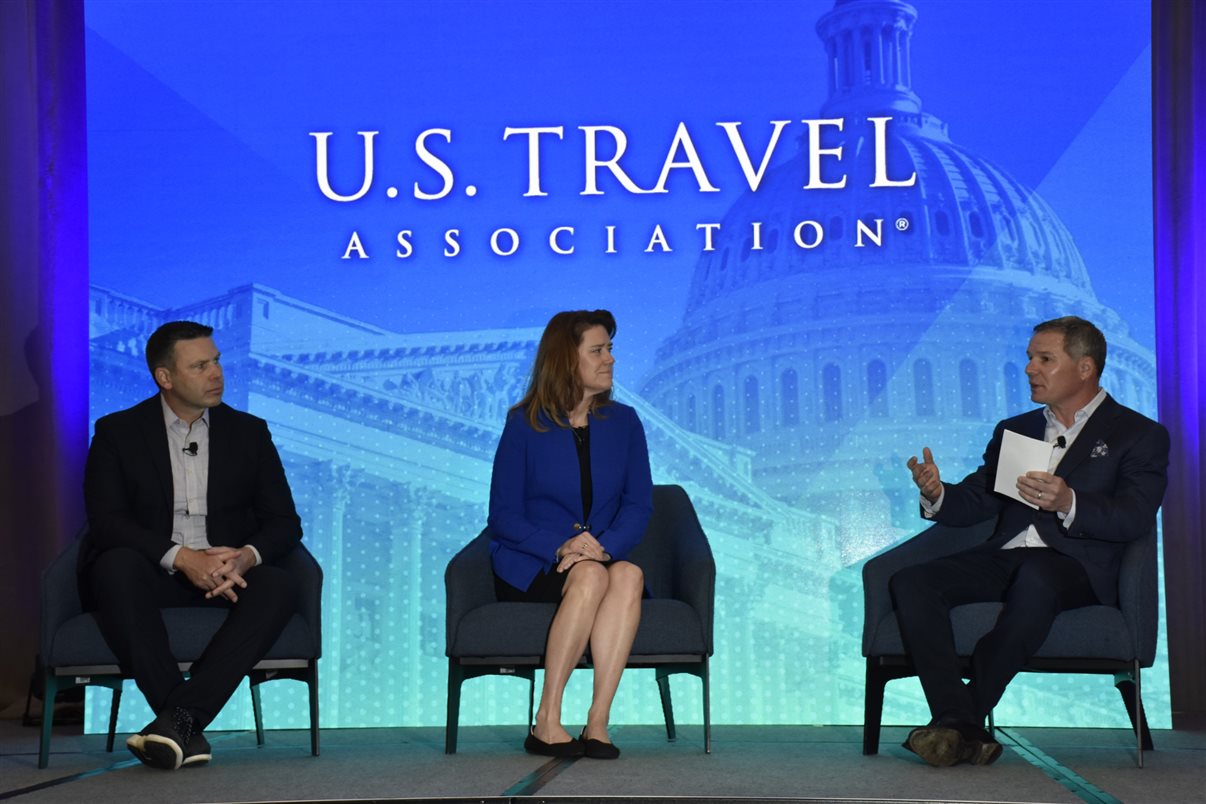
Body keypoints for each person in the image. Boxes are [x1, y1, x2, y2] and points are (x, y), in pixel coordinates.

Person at [892, 316, 1169, 767]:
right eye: (1029, 358)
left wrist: (1069, 500)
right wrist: (937, 493)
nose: (1029, 369)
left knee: (1038, 575)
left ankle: (958, 719)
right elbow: (982, 498)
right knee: (912, 581)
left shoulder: (1137, 434)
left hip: (1077, 564)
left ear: (1084, 368)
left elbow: (1135, 516)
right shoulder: (1016, 429)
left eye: (1044, 359)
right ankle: (957, 721)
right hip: (1006, 555)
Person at [82, 320, 303, 770]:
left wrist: (244, 556)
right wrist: (182, 558)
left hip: (227, 574)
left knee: (279, 584)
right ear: (165, 377)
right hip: (154, 570)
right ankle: (184, 724)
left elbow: (284, 522)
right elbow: (106, 523)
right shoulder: (117, 433)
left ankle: (177, 723)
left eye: (217, 361)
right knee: (114, 566)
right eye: (200, 366)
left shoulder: (249, 433)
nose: (217, 373)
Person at [487, 309, 653, 759]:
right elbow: (502, 515)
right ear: (566, 360)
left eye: (610, 349)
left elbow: (640, 504)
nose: (610, 360)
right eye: (597, 351)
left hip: (597, 556)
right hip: (534, 562)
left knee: (629, 575)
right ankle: (547, 720)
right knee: (591, 577)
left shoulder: (625, 423)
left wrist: (604, 548)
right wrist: (560, 545)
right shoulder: (523, 424)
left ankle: (597, 722)